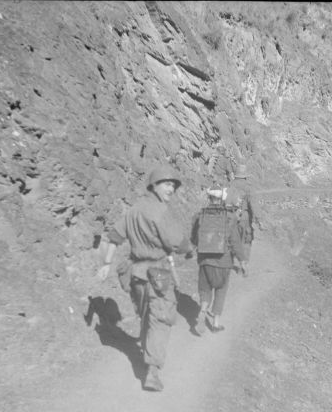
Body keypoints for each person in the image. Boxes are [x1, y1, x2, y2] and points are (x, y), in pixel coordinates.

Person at [97, 165, 193, 392]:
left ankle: (146, 355)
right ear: (154, 185)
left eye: (173, 185)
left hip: (136, 275)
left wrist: (106, 264)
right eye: (167, 184)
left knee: (146, 316)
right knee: (160, 319)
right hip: (158, 274)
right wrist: (189, 248)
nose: (171, 189)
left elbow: (114, 237)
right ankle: (152, 371)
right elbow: (176, 242)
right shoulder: (160, 212)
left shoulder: (133, 210)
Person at [190, 189, 247, 335]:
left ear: (209, 198)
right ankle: (215, 323)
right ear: (222, 200)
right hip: (224, 262)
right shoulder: (230, 217)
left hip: (205, 261)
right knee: (221, 291)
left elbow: (195, 239)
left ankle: (203, 310)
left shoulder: (200, 216)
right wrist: (242, 260)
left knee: (205, 289)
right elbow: (235, 242)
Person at [226, 161, 261, 262]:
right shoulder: (248, 186)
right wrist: (258, 218)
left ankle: (231, 256)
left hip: (230, 214)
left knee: (231, 235)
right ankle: (244, 261)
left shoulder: (230, 184)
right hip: (244, 215)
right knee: (246, 237)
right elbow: (253, 204)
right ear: (245, 175)